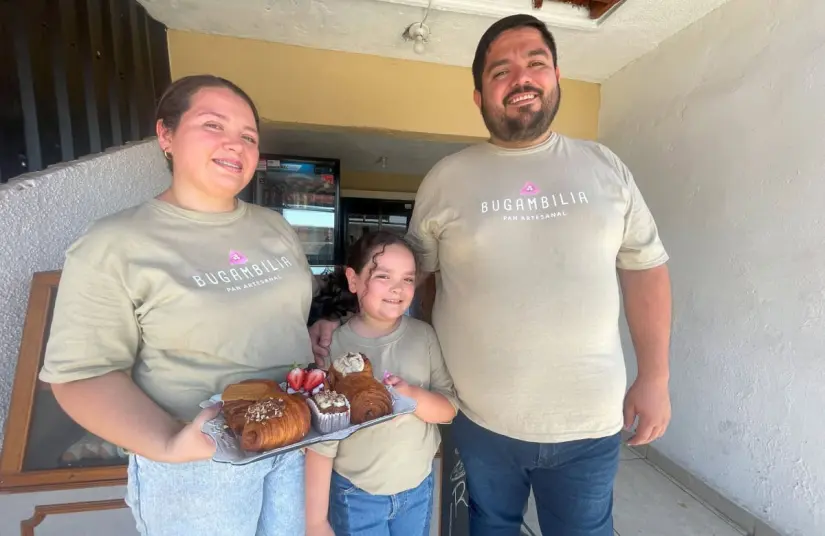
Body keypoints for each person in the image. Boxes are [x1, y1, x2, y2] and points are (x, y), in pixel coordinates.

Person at [309, 14, 673, 536]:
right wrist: (341, 316)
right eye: (500, 71)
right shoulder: (447, 178)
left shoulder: (604, 167)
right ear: (479, 96)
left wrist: (655, 376)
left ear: (556, 77)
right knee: (487, 527)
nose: (521, 77)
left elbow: (646, 267)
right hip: (479, 421)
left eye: (535, 63)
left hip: (589, 422)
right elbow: (403, 278)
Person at [39, 75, 315, 536]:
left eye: (248, 136)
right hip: (199, 460)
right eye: (213, 125)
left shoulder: (275, 227)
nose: (236, 144)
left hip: (289, 439)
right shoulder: (114, 242)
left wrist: (314, 337)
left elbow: (281, 318)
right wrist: (168, 444)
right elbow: (81, 375)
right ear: (165, 135)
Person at [304, 231, 458, 536]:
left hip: (418, 488)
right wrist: (315, 522)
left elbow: (448, 409)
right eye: (383, 276)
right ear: (354, 280)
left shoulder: (424, 336)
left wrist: (412, 396)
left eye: (408, 279)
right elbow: (320, 443)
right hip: (356, 494)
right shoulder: (331, 345)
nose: (397, 289)